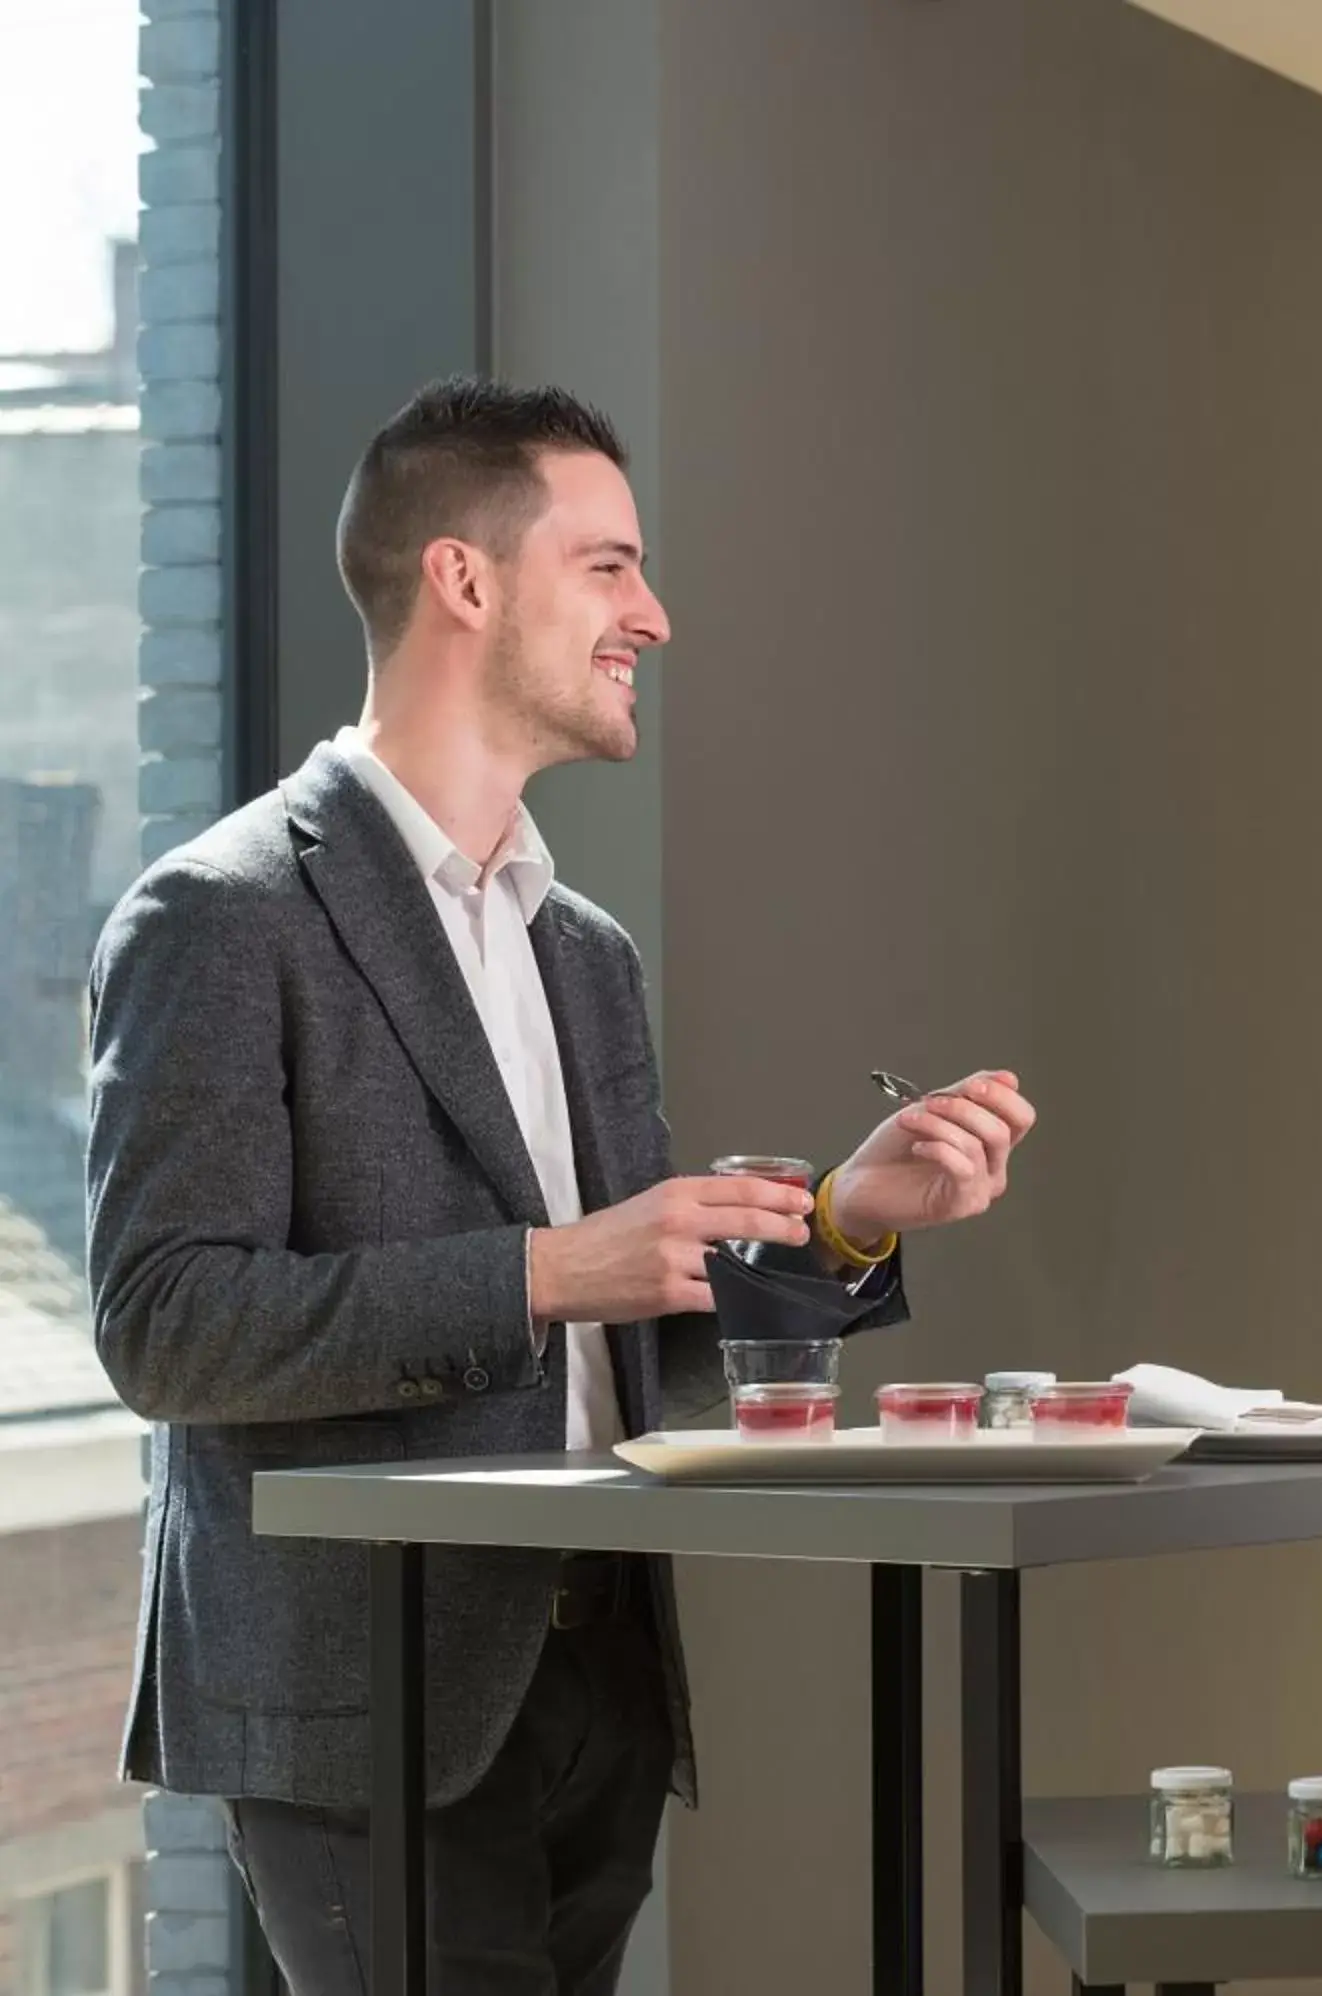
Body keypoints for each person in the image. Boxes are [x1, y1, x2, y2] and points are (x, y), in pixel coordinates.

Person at [85, 377, 1039, 1996]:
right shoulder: (220, 918)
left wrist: (845, 1219)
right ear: (465, 579)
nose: (653, 616)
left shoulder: (582, 953)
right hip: (367, 1696)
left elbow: (632, 1322)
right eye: (609, 566)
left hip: (600, 1678)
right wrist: (538, 1269)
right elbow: (166, 1328)